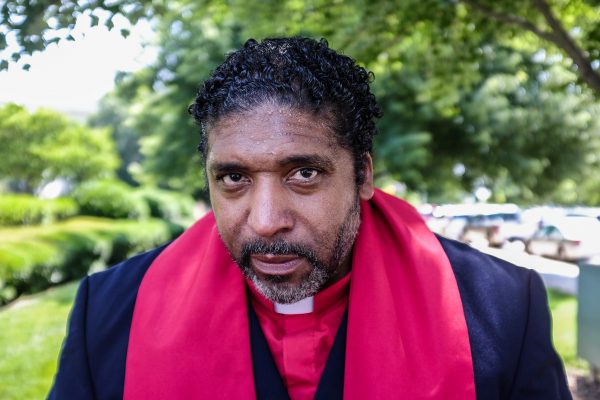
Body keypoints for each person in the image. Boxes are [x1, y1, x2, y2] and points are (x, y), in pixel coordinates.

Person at [48, 37, 571, 400]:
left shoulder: (501, 308)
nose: (266, 220)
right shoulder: (111, 312)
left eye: (303, 174)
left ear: (362, 175)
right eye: (233, 178)